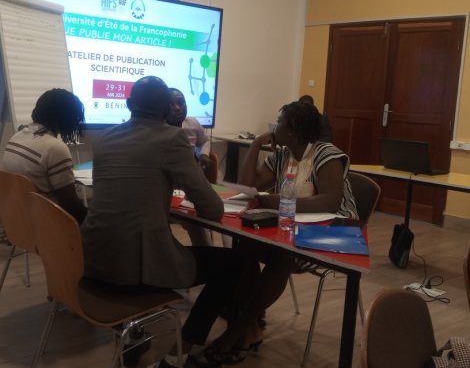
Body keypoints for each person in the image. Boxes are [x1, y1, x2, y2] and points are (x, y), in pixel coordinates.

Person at [80, 76, 253, 367]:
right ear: (167, 110)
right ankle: (179, 352)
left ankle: (135, 335)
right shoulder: (172, 139)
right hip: (137, 268)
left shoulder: (105, 139)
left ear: (128, 104)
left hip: (95, 259)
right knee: (235, 263)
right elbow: (212, 209)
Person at [203, 101, 358, 365]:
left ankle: (239, 328)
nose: (275, 127)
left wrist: (280, 202)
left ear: (293, 129)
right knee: (244, 246)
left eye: (280, 122)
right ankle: (251, 327)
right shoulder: (283, 154)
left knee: (283, 257)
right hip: (292, 226)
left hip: (336, 232)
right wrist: (255, 145)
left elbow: (330, 202)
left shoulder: (326, 154)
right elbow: (249, 184)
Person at [1, 88, 87, 224]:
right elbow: (70, 205)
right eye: (75, 118)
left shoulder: (16, 137)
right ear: (64, 117)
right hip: (46, 222)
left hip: (18, 218)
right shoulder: (55, 148)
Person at [166, 87, 215, 247]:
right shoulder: (158, 130)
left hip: (190, 182)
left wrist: (204, 154)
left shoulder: (192, 123)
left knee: (197, 219)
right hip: (167, 186)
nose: (177, 107)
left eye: (181, 102)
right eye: (171, 104)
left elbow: (205, 141)